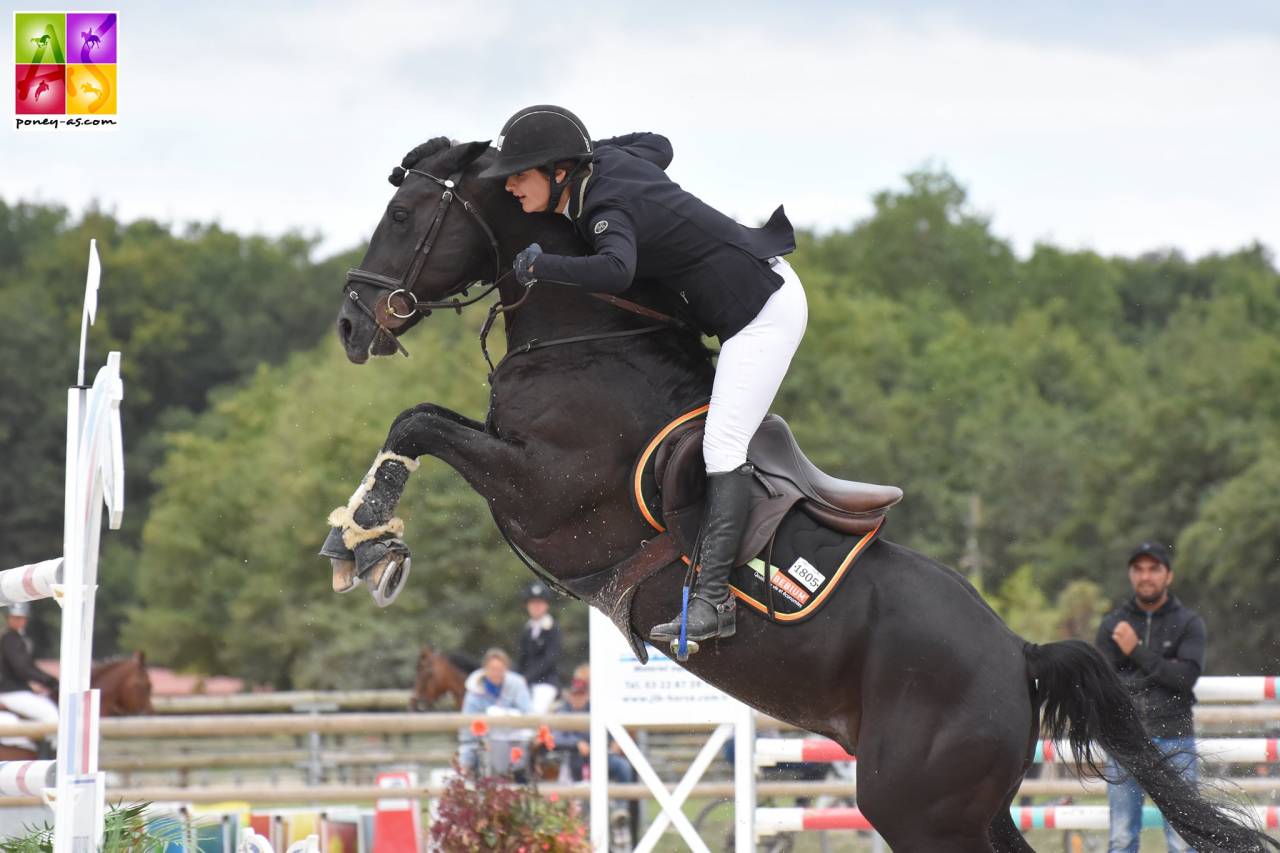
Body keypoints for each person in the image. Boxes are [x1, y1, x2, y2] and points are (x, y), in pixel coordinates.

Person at [479, 105, 807, 649]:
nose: (510, 186)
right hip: (749, 287)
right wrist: (587, 148)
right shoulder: (604, 164)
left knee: (723, 447)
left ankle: (714, 601)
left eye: (519, 174)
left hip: (763, 314)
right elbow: (659, 144)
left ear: (559, 171)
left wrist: (541, 267)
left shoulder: (605, 207)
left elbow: (616, 270)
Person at [1095, 541, 1205, 853]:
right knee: (1121, 839)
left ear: (1168, 575)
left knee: (1183, 841)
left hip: (1175, 739)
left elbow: (1184, 679)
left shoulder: (1189, 623)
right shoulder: (1111, 624)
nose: (1146, 576)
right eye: (1139, 569)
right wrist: (1161, 669)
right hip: (1124, 742)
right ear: (1130, 575)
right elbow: (1103, 684)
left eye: (1154, 569)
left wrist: (1136, 651)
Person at [458, 648, 531, 774]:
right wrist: (467, 760)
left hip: (515, 742)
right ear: (485, 669)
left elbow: (528, 712)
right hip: (485, 746)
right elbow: (467, 731)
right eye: (492, 669)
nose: (496, 673)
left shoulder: (517, 684)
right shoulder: (474, 693)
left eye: (500, 669)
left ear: (506, 669)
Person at [0, 602, 59, 757]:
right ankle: (48, 758)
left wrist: (50, 680)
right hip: (12, 691)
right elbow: (22, 669)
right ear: (8, 618)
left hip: (18, 689)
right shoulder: (10, 639)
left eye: (21, 618)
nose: (18, 621)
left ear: (26, 619)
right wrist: (48, 682)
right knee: (51, 715)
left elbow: (30, 666)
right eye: (14, 618)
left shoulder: (19, 638)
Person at [517, 581, 562, 714]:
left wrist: (527, 677)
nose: (536, 607)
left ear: (546, 605)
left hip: (546, 682)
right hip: (526, 682)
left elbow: (550, 659)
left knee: (535, 711)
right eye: (533, 603)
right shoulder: (526, 630)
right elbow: (521, 659)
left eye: (540, 603)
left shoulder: (553, 628)